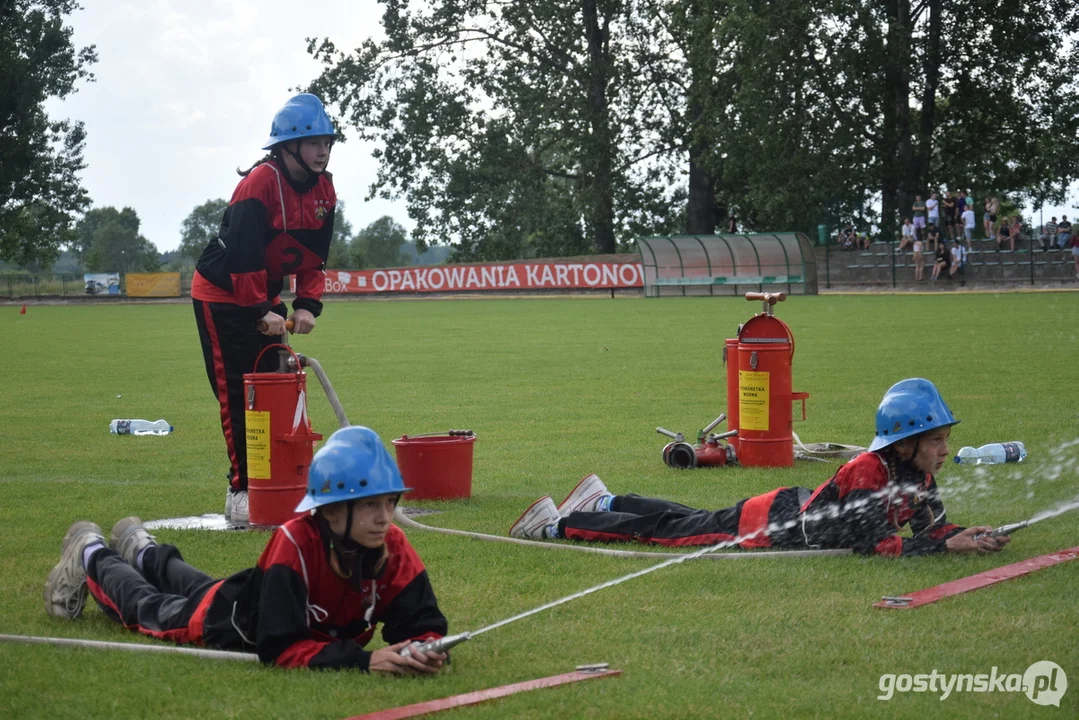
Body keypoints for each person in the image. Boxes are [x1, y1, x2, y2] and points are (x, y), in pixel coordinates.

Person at [44, 427, 449, 675]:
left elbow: (422, 621)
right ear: (330, 511)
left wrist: (426, 649)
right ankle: (90, 551)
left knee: (193, 582)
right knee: (148, 608)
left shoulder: (390, 547)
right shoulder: (295, 542)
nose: (385, 518)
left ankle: (142, 548)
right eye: (369, 505)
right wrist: (363, 662)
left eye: (390, 503)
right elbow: (279, 646)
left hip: (245, 593)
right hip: (225, 622)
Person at [510, 380, 1010, 557]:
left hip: (778, 511)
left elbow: (933, 528)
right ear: (906, 442)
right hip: (765, 529)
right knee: (665, 534)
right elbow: (876, 545)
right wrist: (943, 548)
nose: (946, 450)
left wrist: (966, 535)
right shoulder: (868, 472)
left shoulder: (918, 476)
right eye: (938, 440)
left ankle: (606, 501)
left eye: (946, 440)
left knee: (684, 519)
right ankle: (556, 524)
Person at [191, 93, 338, 523]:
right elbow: (242, 254)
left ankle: (282, 484)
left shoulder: (324, 189)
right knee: (239, 391)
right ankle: (241, 491)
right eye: (313, 142)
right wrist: (260, 308)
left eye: (327, 142)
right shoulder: (259, 183)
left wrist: (308, 303)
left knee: (279, 387)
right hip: (223, 294)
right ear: (287, 145)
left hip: (262, 296)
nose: (322, 150)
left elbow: (316, 256)